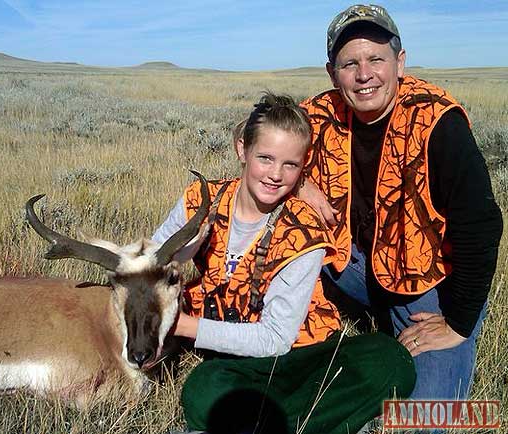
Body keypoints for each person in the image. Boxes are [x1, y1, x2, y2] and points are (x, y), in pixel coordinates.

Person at [153, 93, 415, 434]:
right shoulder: (199, 201)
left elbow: (275, 339)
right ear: (241, 150)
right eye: (265, 158)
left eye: (290, 165)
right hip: (242, 364)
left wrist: (183, 325)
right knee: (204, 387)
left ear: (301, 168)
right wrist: (187, 247)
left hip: (307, 354)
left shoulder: (303, 227)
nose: (276, 174)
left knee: (390, 361)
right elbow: (152, 261)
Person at [298, 4, 503, 401]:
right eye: (349, 63)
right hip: (353, 264)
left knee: (427, 417)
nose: (364, 75)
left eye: (376, 59)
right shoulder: (319, 113)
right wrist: (300, 181)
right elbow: (252, 134)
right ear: (331, 73)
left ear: (400, 62)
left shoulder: (438, 122)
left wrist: (457, 322)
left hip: (429, 284)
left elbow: (481, 225)